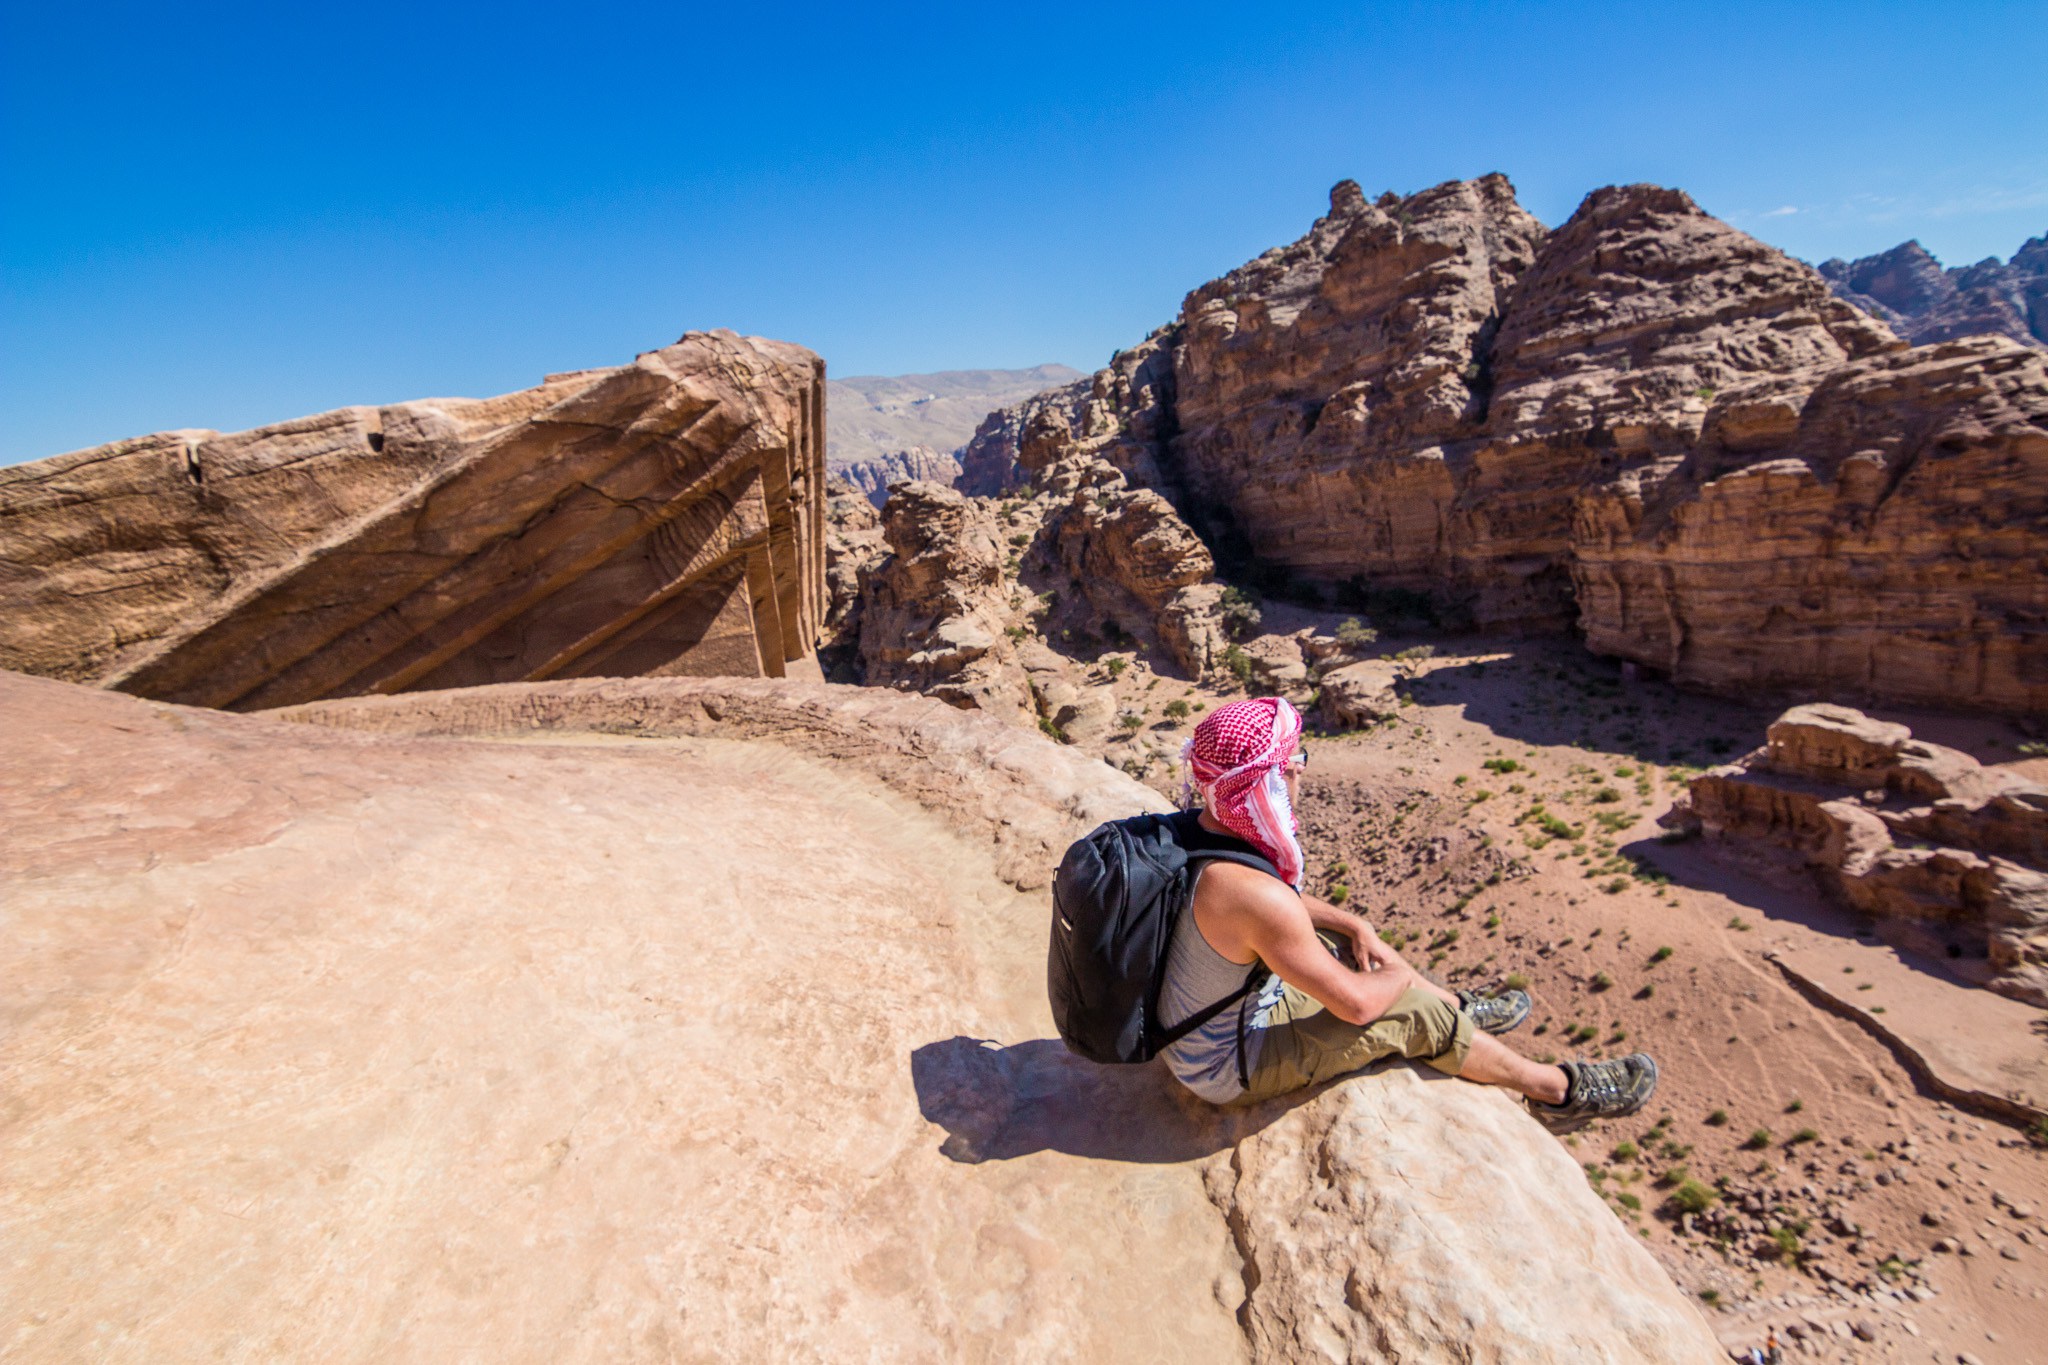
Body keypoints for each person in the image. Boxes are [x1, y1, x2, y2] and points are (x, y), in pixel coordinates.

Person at [1157, 695, 1659, 1130]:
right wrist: (1397, 977)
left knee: (1346, 946)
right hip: (1223, 1064)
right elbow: (1357, 1006)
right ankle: (1558, 1091)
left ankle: (1461, 1011)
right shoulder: (1247, 892)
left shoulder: (1202, 827)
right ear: (1268, 782)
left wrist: (1357, 925)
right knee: (1412, 1013)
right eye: (1294, 762)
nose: (1301, 771)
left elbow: (1270, 906)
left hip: (1208, 1014)